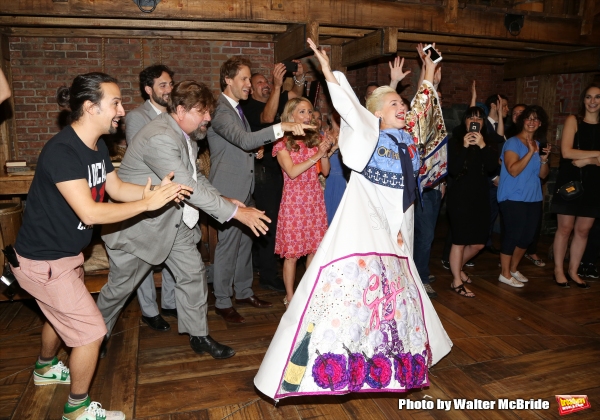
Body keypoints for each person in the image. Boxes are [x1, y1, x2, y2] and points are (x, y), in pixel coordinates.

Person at [254, 38, 451, 400]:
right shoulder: (366, 137)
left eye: (402, 103)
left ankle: (396, 359)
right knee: (354, 301)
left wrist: (427, 73)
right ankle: (324, 363)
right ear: (375, 114)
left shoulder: (406, 141)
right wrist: (329, 73)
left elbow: (424, 110)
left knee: (397, 300)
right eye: (394, 104)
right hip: (367, 232)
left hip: (397, 233)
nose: (402, 107)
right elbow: (351, 109)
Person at [9, 72, 191, 420]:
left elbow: (116, 188)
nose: (122, 110)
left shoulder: (96, 147)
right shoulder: (62, 151)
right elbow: (90, 212)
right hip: (43, 262)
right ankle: (76, 410)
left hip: (64, 256)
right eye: (116, 103)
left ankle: (45, 368)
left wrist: (150, 193)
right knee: (91, 331)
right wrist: (147, 205)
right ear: (91, 107)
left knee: (60, 316)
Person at [98, 80, 272, 360]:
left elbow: (196, 177)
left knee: (193, 276)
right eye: (202, 112)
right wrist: (236, 212)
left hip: (172, 222)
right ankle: (94, 337)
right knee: (119, 290)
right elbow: (184, 186)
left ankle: (198, 335)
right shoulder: (161, 137)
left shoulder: (185, 134)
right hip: (139, 228)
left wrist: (226, 199)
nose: (208, 118)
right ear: (180, 110)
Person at [208, 56, 314, 324]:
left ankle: (243, 292)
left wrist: (255, 152)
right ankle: (222, 300)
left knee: (245, 243)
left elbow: (241, 144)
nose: (248, 84)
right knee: (228, 247)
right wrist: (282, 127)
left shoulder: (237, 109)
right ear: (228, 80)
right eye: (244, 79)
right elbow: (242, 139)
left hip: (246, 185)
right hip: (229, 189)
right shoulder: (221, 109)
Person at [240, 62, 305, 293]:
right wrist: (277, 86)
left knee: (275, 221)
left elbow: (298, 99)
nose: (265, 85)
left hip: (283, 173)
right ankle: (268, 276)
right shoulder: (248, 107)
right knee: (270, 223)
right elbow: (268, 119)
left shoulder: (281, 96)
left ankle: (261, 264)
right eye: (260, 83)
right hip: (264, 173)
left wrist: (298, 78)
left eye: (267, 82)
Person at [124, 64, 178, 332]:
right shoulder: (136, 117)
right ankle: (149, 310)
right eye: (163, 85)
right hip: (146, 192)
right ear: (148, 90)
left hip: (170, 192)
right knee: (144, 254)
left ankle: (169, 302)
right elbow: (146, 156)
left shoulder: (174, 114)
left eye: (170, 84)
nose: (169, 90)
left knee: (169, 247)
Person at [273, 97, 331, 307]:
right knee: (292, 255)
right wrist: (317, 156)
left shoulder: (313, 140)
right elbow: (292, 171)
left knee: (315, 250)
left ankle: (309, 292)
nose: (308, 116)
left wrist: (324, 153)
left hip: (314, 200)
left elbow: (325, 171)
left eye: (309, 112)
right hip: (294, 204)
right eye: (302, 112)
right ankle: (290, 296)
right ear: (290, 117)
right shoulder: (281, 144)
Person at [550, 83, 600, 288]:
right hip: (571, 182)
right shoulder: (574, 120)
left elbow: (579, 156)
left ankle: (573, 270)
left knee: (583, 231)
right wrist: (597, 155)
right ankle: (558, 270)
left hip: (595, 184)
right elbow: (567, 153)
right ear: (583, 100)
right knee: (565, 228)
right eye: (588, 97)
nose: (592, 101)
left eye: (597, 97)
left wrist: (588, 160)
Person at [447, 107, 499, 298]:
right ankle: (456, 280)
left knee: (478, 243)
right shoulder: (455, 142)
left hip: (480, 196)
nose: (474, 121)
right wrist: (465, 146)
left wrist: (483, 145)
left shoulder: (489, 143)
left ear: (483, 123)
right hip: (460, 196)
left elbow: (493, 168)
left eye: (479, 118)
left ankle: (456, 267)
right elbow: (453, 169)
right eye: (471, 118)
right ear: (465, 121)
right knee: (459, 240)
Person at [497, 105, 551, 288]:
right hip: (512, 197)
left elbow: (543, 175)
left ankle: (513, 269)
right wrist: (529, 153)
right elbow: (513, 170)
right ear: (523, 121)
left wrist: (543, 159)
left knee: (527, 237)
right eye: (529, 118)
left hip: (533, 197)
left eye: (536, 119)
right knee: (513, 235)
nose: (532, 122)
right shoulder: (512, 142)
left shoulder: (538, 144)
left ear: (540, 123)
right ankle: (504, 273)